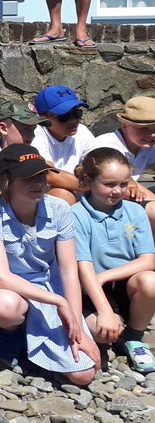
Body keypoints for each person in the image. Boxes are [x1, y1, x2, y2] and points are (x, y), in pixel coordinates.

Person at [0, 144, 99, 386]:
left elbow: (69, 270)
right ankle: (10, 339)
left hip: (49, 286)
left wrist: (76, 325)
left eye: (41, 175)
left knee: (84, 375)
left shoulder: (60, 209)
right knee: (5, 305)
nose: (38, 183)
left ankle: (40, 346)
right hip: (11, 290)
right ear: (7, 179)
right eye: (29, 177)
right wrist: (59, 302)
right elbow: (1, 277)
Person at [72, 148, 155, 373]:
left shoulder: (135, 212)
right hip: (90, 290)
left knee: (150, 281)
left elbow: (148, 260)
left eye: (124, 184)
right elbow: (83, 267)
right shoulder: (76, 215)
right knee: (103, 332)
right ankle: (111, 326)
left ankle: (134, 337)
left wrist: (105, 276)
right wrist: (105, 310)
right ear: (88, 180)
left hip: (124, 285)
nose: (118, 191)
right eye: (109, 184)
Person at [0, 102, 49, 219]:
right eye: (26, 129)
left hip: (24, 211)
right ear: (3, 128)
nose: (31, 136)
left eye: (33, 130)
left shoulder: (33, 152)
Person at [88, 95, 155, 214]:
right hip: (103, 203)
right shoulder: (106, 146)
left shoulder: (147, 146)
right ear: (125, 126)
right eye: (144, 129)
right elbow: (126, 185)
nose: (152, 135)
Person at [32, 85, 95, 204]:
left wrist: (130, 185)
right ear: (43, 118)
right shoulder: (34, 135)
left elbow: (103, 163)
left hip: (78, 193)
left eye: (77, 113)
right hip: (40, 199)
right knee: (63, 196)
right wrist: (99, 187)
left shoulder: (82, 132)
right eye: (64, 116)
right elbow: (48, 174)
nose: (73, 120)